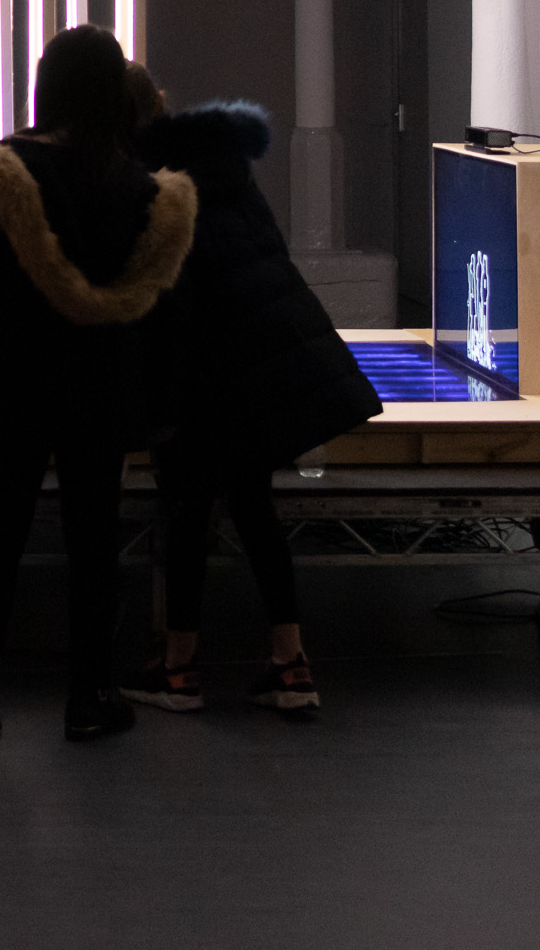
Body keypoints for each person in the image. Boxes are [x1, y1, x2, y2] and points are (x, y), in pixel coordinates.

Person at [0, 25, 197, 743]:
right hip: (101, 386)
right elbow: (161, 307)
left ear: (44, 84)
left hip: (15, 380)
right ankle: (90, 696)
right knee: (94, 545)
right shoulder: (137, 187)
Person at [123, 97, 382, 717]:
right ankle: (291, 666)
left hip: (208, 372)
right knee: (255, 509)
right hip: (265, 365)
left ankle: (179, 671)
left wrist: (154, 403)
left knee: (187, 515)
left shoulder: (159, 190)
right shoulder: (231, 169)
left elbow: (172, 302)